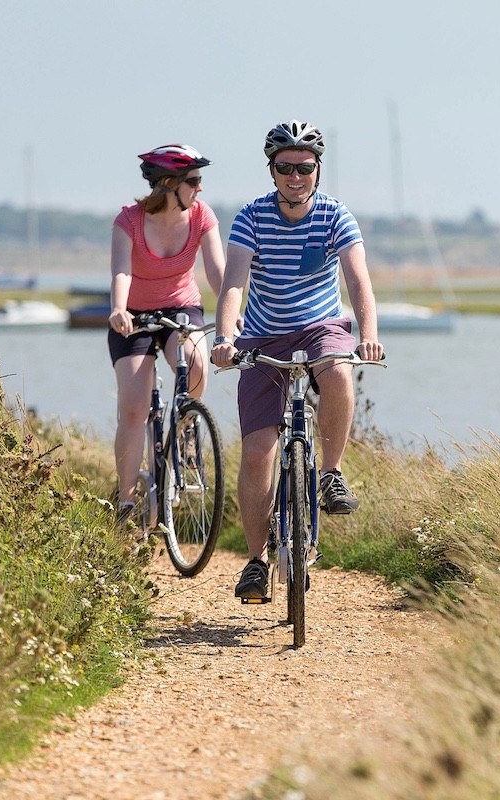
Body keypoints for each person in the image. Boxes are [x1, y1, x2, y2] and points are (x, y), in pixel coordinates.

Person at [210, 120, 383, 599]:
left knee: (340, 374)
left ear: (317, 170)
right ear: (271, 171)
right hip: (264, 336)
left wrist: (367, 336)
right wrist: (226, 337)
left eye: (304, 168)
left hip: (320, 326)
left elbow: (358, 282)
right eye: (284, 167)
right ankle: (255, 562)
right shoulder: (251, 217)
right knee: (258, 453)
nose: (294, 176)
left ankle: (330, 474)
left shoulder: (335, 215)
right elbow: (234, 286)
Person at [109, 144, 226, 524]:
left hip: (181, 307)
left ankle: (186, 425)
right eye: (193, 181)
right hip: (134, 314)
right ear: (167, 184)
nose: (200, 188)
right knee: (133, 407)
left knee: (195, 363)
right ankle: (125, 504)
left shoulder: (202, 216)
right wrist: (119, 309)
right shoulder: (128, 221)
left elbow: (216, 273)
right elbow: (122, 271)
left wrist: (233, 315)